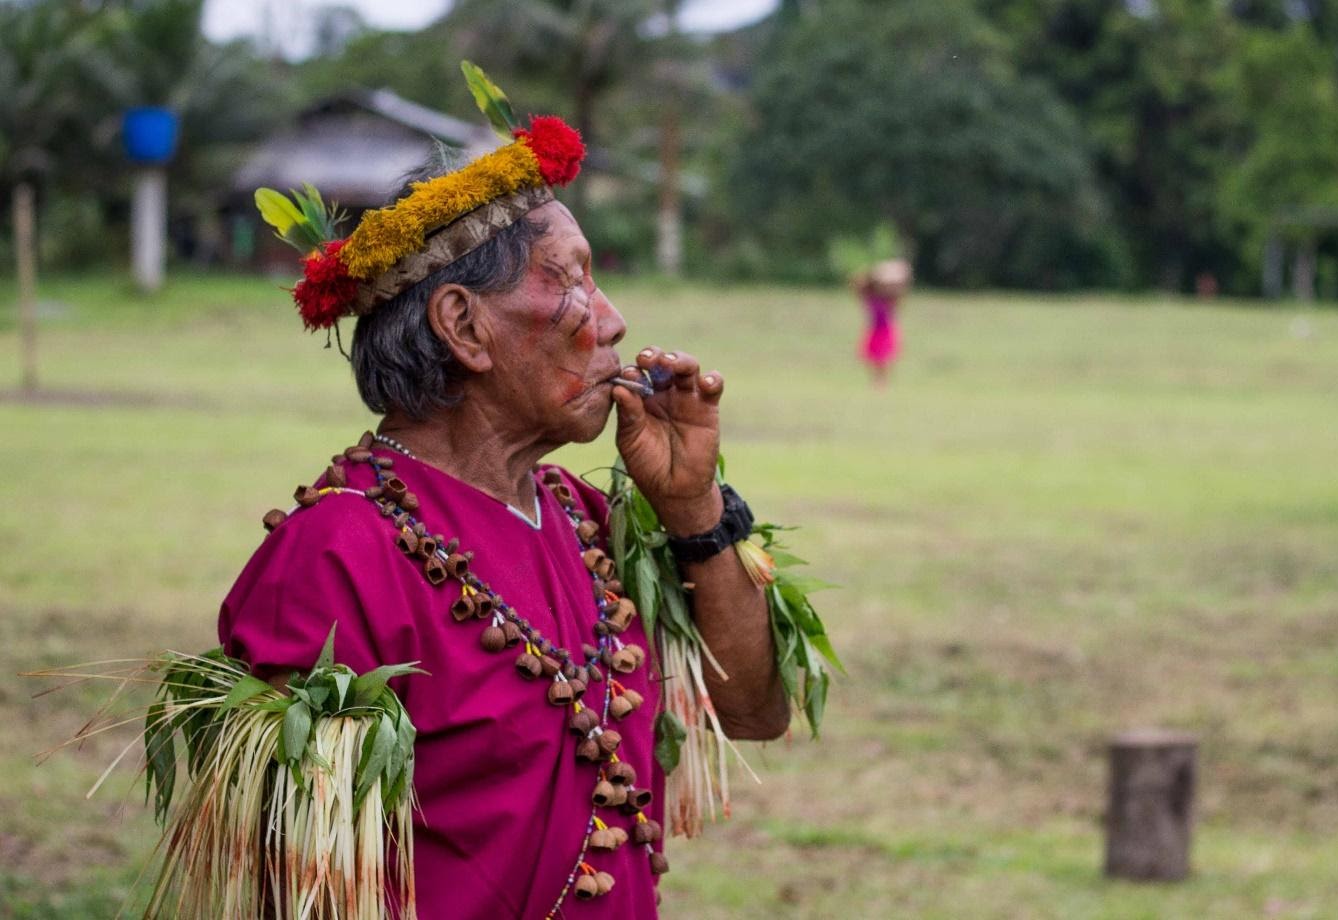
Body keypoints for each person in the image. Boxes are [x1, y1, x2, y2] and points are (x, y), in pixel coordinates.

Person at [219, 83, 789, 919]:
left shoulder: (586, 521)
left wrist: (694, 508)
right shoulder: (333, 557)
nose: (614, 320)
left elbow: (753, 712)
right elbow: (300, 889)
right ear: (463, 326)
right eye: (573, 283)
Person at [853, 258, 912, 386]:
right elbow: (857, 283)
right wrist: (874, 273)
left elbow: (901, 289)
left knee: (883, 358)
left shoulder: (890, 299)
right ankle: (876, 380)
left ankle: (882, 381)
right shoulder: (869, 297)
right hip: (874, 330)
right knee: (873, 358)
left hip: (886, 331)